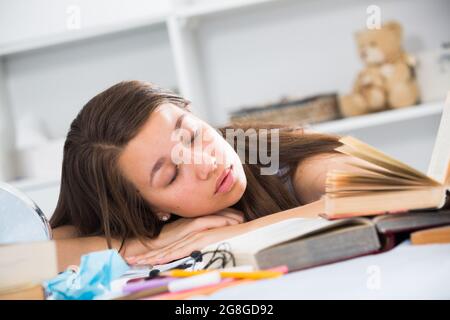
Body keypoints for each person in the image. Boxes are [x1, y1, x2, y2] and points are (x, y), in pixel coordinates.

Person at [51, 80, 358, 271]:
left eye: (191, 135)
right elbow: (10, 264)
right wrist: (146, 243)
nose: (205, 163)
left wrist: (223, 236)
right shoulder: (146, 229)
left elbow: (373, 191)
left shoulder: (274, 154)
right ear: (151, 207)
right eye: (171, 175)